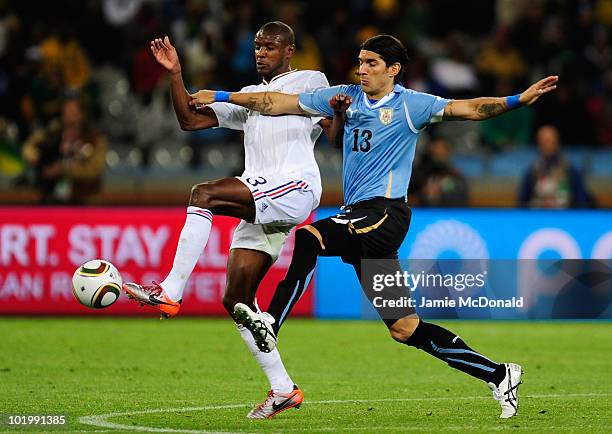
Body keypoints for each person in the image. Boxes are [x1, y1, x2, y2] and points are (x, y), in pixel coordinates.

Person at [189, 34, 559, 419]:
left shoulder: (411, 105)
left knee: (309, 237)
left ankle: (271, 323)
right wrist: (222, 96)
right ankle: (499, 374)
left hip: (383, 214)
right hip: (363, 223)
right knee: (405, 328)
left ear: (393, 70)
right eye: (360, 62)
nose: (361, 69)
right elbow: (273, 102)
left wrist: (519, 99)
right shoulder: (344, 95)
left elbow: (469, 108)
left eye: (371, 64)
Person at [123, 22, 332, 419]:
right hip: (264, 194)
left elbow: (279, 102)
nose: (261, 52)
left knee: (204, 194)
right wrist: (175, 75)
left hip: (293, 186)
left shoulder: (310, 79)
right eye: (257, 46)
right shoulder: (247, 97)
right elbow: (189, 120)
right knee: (236, 299)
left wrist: (223, 94)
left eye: (270, 46)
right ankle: (283, 389)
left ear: (289, 51)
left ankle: (171, 290)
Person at [518, 125, 593, 208]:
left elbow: (581, 200)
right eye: (544, 142)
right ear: (538, 144)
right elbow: (522, 203)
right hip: (538, 217)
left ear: (557, 142)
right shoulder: (532, 171)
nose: (548, 145)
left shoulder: (570, 169)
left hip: (565, 217)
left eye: (551, 141)